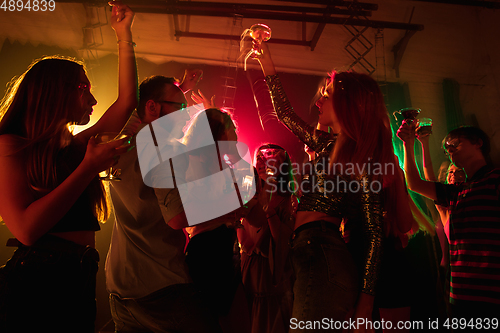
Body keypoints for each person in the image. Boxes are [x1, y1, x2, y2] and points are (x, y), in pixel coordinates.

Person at [253, 41, 418, 332]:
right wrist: (266, 61)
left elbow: (375, 233)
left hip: (323, 251)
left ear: (347, 104)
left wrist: (366, 306)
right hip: (308, 250)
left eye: (326, 97)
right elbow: (286, 115)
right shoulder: (330, 145)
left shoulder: (364, 157)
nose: (318, 103)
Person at [0, 2, 137, 332]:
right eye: (83, 89)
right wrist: (88, 168)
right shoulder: (10, 144)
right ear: (53, 93)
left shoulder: (74, 146)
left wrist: (123, 35)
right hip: (36, 279)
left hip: (78, 273)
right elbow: (26, 229)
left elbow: (126, 102)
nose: (92, 100)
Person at [105, 76, 222, 333]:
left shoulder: (124, 140)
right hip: (160, 283)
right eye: (181, 109)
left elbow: (141, 109)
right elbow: (176, 218)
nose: (187, 117)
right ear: (152, 107)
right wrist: (231, 203)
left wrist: (173, 98)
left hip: (120, 285)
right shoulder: (160, 145)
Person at [397, 123, 500, 324]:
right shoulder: (456, 191)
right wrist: (408, 144)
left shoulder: (495, 179)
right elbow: (415, 183)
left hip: (492, 294)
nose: (449, 149)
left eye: (455, 143)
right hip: (460, 294)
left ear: (478, 143)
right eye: (446, 148)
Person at [181, 108, 253, 333]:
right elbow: (187, 212)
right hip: (207, 248)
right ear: (216, 133)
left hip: (228, 246)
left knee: (240, 323)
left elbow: (251, 210)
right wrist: (231, 211)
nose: (236, 134)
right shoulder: (192, 161)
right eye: (231, 128)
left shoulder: (226, 165)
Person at [237, 144, 297, 333]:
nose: (262, 161)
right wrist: (243, 241)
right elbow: (235, 219)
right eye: (260, 157)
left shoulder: (289, 199)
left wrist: (270, 211)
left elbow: (284, 242)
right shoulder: (246, 191)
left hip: (270, 269)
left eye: (269, 157)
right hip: (248, 264)